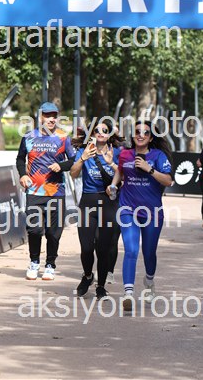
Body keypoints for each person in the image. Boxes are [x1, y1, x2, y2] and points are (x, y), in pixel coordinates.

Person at [107, 120, 173, 312]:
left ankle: (149, 281)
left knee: (149, 252)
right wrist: (113, 185)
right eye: (137, 132)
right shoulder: (125, 154)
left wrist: (149, 169)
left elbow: (168, 181)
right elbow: (120, 171)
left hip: (152, 212)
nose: (141, 135)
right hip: (128, 209)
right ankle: (128, 293)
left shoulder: (158, 156)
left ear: (151, 138)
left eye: (145, 132)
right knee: (131, 249)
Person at [16, 102, 75, 281]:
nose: (51, 119)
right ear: (40, 117)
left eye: (54, 116)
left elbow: (73, 160)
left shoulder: (63, 137)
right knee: (34, 230)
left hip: (56, 192)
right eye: (47, 116)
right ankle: (34, 262)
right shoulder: (28, 137)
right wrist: (23, 175)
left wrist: (61, 166)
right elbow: (20, 159)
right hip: (34, 192)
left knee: (53, 233)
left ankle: (50, 265)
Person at [70, 119, 123, 299]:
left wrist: (112, 169)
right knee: (86, 247)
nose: (101, 133)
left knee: (103, 248)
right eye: (97, 130)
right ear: (92, 134)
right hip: (88, 200)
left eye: (105, 130)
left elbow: (124, 176)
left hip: (108, 202)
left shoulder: (117, 152)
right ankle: (87, 276)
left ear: (110, 134)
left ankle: (101, 286)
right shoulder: (84, 151)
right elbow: (73, 174)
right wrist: (83, 158)